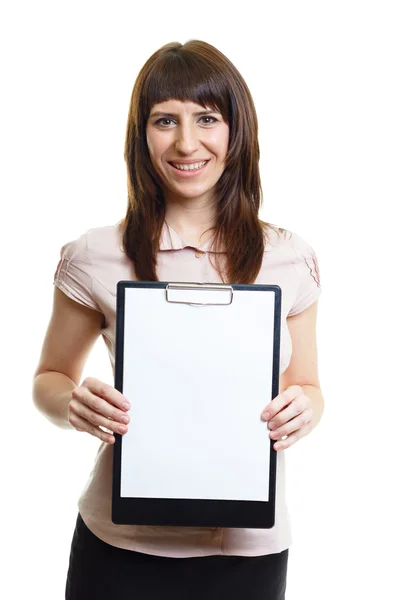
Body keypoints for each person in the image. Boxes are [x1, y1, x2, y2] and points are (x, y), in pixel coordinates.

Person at [32, 39, 324, 600]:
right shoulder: (95, 254)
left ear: (237, 130)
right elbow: (49, 379)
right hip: (119, 544)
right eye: (165, 120)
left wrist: (303, 409)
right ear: (142, 135)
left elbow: (308, 384)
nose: (187, 142)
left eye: (207, 119)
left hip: (247, 548)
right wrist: (72, 404)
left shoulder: (289, 255)